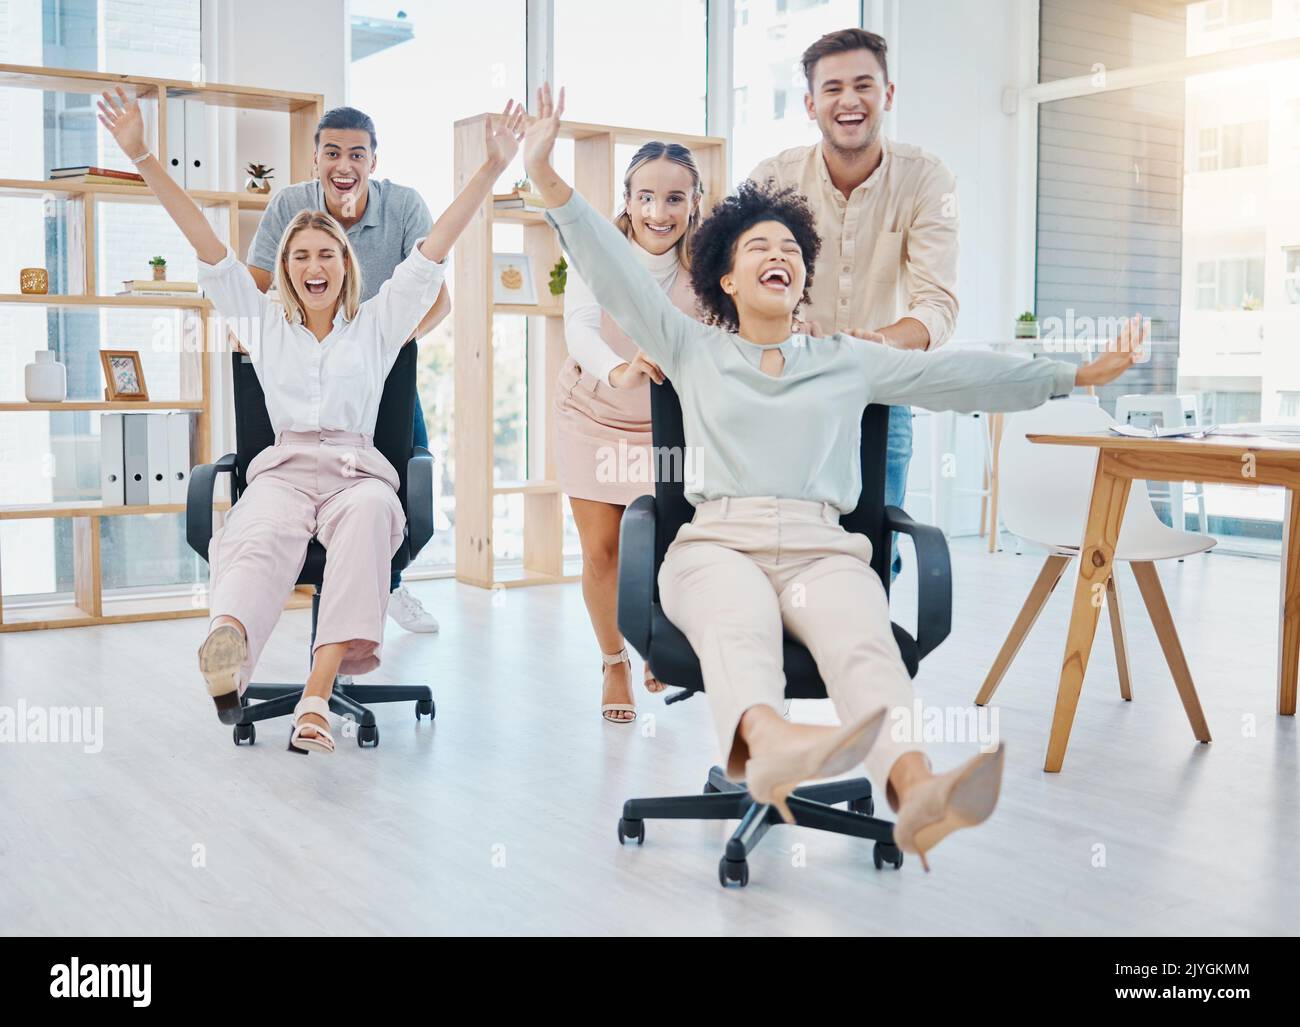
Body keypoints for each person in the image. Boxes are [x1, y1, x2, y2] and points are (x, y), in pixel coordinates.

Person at [522, 84, 1147, 867]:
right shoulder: (690, 347)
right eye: (759, 248)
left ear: (804, 276)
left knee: (864, 646)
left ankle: (917, 790)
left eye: (790, 248)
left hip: (824, 550)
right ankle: (769, 742)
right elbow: (609, 269)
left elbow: (959, 375)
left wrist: (1077, 374)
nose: (778, 255)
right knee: (736, 622)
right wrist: (546, 174)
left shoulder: (846, 357)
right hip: (718, 544)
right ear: (724, 279)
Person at [98, 86, 525, 754]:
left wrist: (491, 171)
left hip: (358, 470)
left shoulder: (378, 323)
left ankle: (318, 696)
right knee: (255, 531)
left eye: (326, 253)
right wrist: (144, 155)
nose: (314, 264)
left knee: (367, 519)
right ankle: (229, 647)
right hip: (286, 470)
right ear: (285, 271)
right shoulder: (264, 324)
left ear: (345, 264)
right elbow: (208, 245)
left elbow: (435, 248)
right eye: (300, 256)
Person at [750, 28, 959, 581]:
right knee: (780, 547)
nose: (849, 100)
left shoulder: (925, 179)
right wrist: (789, 323)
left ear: (887, 94)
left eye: (864, 85)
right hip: (783, 392)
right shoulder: (773, 178)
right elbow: (730, 279)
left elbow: (938, 304)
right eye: (833, 87)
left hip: (879, 396)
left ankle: (859, 663)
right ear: (810, 103)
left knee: (871, 553)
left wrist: (881, 342)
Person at [247, 106, 446, 636]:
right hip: (302, 360)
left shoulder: (403, 206)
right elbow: (255, 282)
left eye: (357, 154)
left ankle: (389, 583)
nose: (344, 164)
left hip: (378, 360)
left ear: (373, 161)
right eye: (332, 152)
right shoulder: (290, 203)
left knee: (401, 469)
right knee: (289, 481)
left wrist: (378, 346)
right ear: (315, 159)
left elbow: (438, 299)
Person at [557, 141, 705, 723]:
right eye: (646, 197)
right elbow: (580, 328)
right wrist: (621, 369)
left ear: (695, 203)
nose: (659, 212)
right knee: (603, 550)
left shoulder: (711, 265)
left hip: (668, 426)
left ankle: (657, 642)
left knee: (667, 548)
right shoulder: (599, 250)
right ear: (628, 199)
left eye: (674, 198)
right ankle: (613, 660)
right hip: (592, 411)